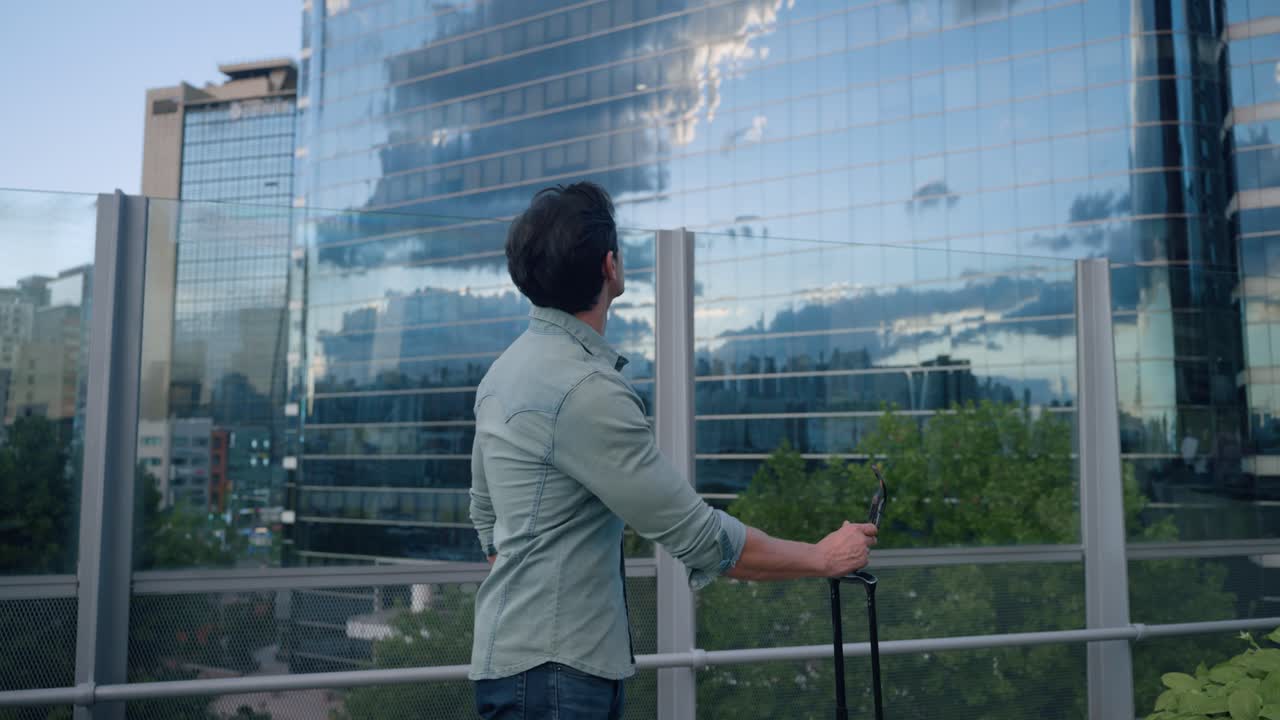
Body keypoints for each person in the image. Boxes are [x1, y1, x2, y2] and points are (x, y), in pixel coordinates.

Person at [469, 182, 878, 719]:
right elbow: (697, 535)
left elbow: (485, 518)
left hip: (515, 664)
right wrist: (822, 557)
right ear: (610, 266)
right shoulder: (586, 389)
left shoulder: (502, 375)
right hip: (557, 680)